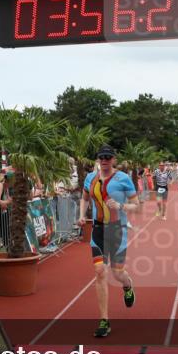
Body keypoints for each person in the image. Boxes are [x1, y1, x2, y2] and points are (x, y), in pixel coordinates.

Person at [77, 144, 139, 338]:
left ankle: (127, 285)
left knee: (118, 273)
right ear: (98, 159)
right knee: (99, 271)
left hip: (117, 231)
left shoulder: (123, 179)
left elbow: (136, 205)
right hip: (98, 231)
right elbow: (84, 198)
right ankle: (104, 320)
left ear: (113, 159)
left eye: (107, 157)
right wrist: (81, 215)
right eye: (101, 157)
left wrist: (121, 205)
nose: (104, 160)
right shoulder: (90, 178)